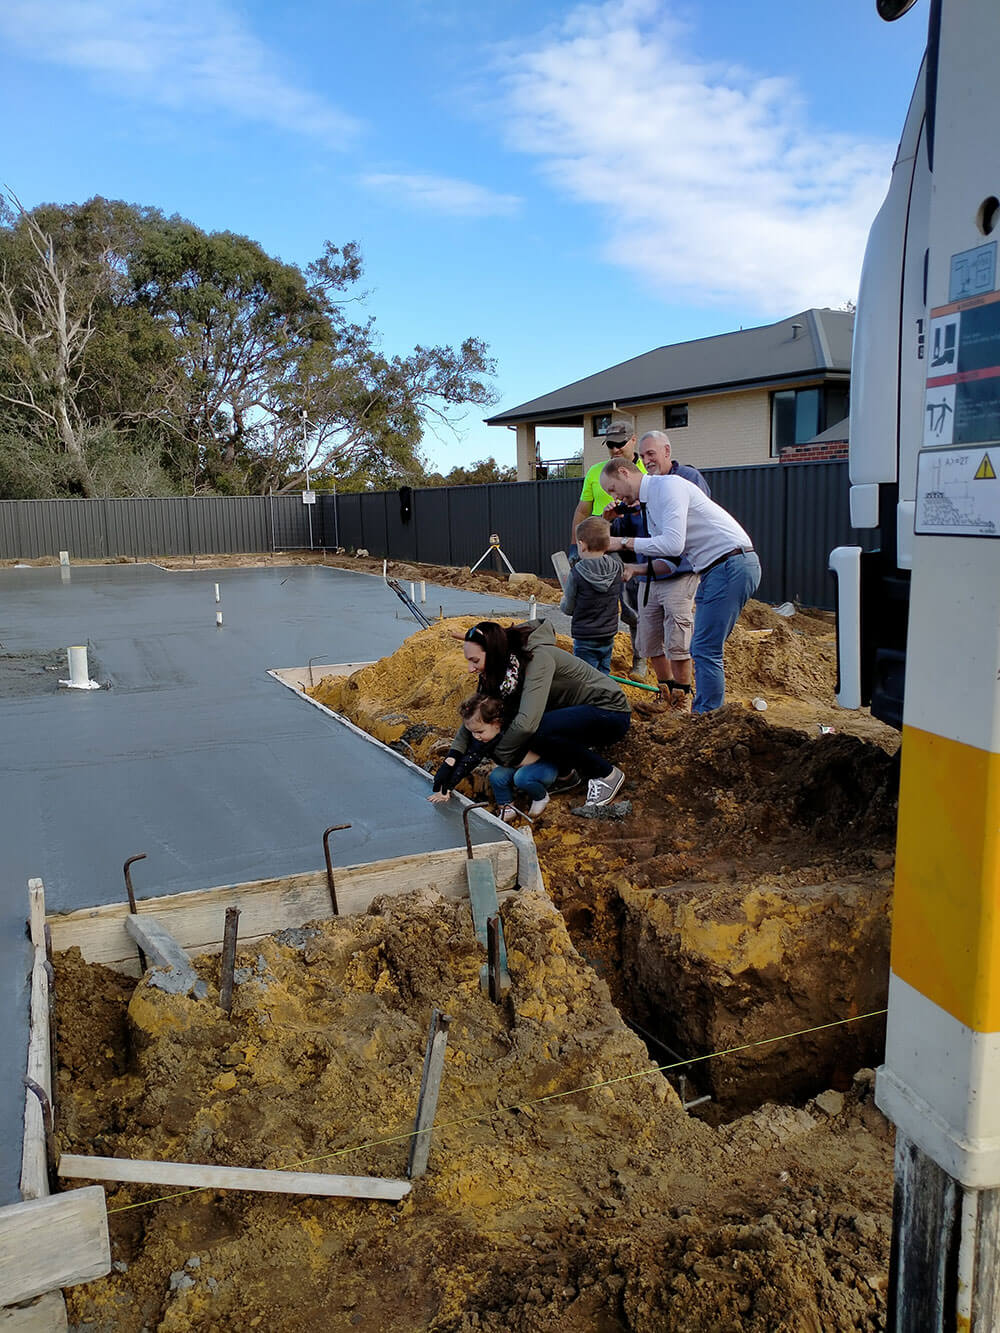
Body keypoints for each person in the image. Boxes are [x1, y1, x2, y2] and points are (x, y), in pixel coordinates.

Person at [600, 460, 761, 714]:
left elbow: (673, 545)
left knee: (705, 649)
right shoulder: (650, 505)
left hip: (730, 564)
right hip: (713, 569)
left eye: (612, 488)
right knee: (703, 648)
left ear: (623, 473)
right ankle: (699, 713)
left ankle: (705, 717)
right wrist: (635, 567)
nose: (614, 496)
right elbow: (670, 558)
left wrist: (622, 542)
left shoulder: (668, 487)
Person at [435, 619, 631, 807]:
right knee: (526, 731)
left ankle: (606, 775)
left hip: (609, 712)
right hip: (575, 715)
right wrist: (452, 759)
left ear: (493, 652)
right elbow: (475, 713)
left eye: (475, 660)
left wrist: (502, 754)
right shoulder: (498, 670)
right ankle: (566, 775)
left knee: (535, 731)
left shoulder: (537, 657)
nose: (470, 668)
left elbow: (527, 722)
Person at [611, 430, 711, 711]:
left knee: (678, 636)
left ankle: (682, 702)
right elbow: (632, 531)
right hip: (648, 571)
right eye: (642, 456)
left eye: (651, 454)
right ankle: (665, 695)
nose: (647, 460)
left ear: (667, 451)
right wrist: (617, 519)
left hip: (679, 570)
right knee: (650, 637)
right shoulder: (646, 488)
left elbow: (687, 525)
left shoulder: (687, 479)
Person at [569, 420, 647, 674]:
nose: (614, 449)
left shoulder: (646, 470)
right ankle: (600, 658)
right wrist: (574, 546)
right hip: (604, 548)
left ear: (633, 440)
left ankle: (640, 657)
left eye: (620, 444)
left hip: (638, 546)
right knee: (601, 602)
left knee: (635, 607)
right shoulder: (595, 472)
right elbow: (582, 510)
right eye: (610, 445)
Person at [428, 693, 558, 822]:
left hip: (543, 767)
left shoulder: (512, 732)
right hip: (516, 766)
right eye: (472, 732)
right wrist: (447, 787)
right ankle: (507, 807)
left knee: (521, 778)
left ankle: (540, 796)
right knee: (496, 776)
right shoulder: (487, 738)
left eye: (479, 732)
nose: (476, 737)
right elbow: (468, 760)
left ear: (497, 723)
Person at [559, 515, 622, 675]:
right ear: (608, 544)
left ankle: (587, 701)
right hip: (608, 633)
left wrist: (563, 601)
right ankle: (605, 699)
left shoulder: (576, 573)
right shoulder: (617, 567)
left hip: (586, 636)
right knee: (603, 674)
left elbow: (569, 608)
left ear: (581, 545)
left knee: (585, 677)